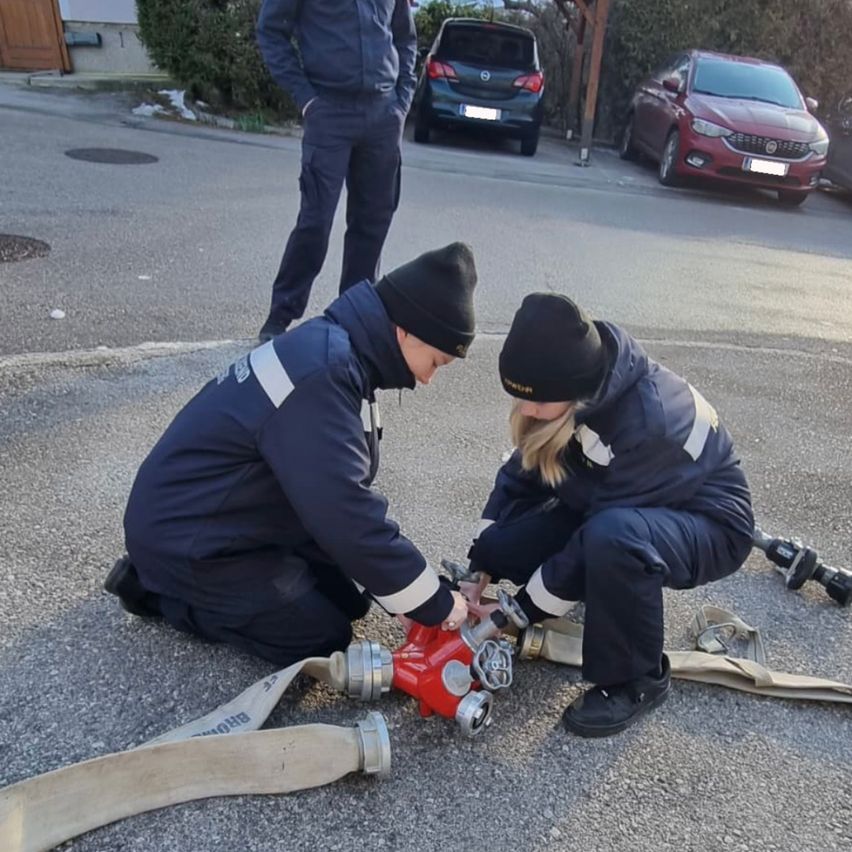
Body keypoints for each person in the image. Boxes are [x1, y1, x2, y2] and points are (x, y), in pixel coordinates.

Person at [105, 244, 477, 664]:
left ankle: (195, 582)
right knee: (318, 635)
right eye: (436, 362)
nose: (428, 379)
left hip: (228, 513)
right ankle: (155, 592)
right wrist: (433, 603)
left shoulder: (337, 350)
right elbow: (345, 512)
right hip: (188, 538)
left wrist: (406, 594)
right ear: (406, 330)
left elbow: (335, 494)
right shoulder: (324, 375)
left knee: (353, 603)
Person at [462, 293, 754, 738]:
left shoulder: (647, 423)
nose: (525, 410)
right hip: (621, 497)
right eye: (518, 397)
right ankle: (591, 589)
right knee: (508, 545)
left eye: (535, 401)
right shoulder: (576, 377)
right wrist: (479, 565)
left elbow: (593, 540)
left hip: (709, 524)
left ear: (572, 391)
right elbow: (520, 473)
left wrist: (512, 615)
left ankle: (639, 679)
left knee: (612, 539)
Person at [255, 0, 417, 341]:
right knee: (315, 222)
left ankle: (353, 320)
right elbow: (271, 31)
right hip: (328, 110)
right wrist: (306, 99)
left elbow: (405, 38)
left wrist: (401, 102)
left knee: (372, 224)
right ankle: (280, 316)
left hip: (383, 114)